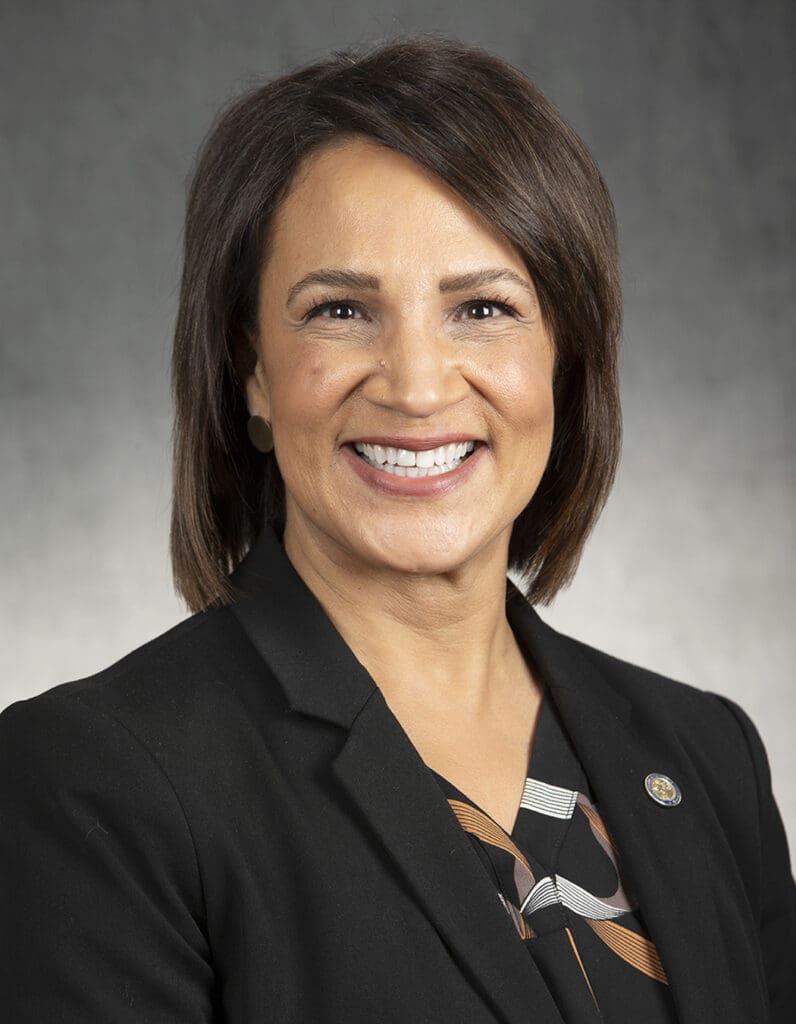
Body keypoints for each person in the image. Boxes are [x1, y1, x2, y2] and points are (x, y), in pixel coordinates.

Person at [1, 35, 793, 1024]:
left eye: (482, 308)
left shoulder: (708, 752)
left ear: (565, 360)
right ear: (248, 371)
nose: (416, 384)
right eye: (339, 309)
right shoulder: (94, 784)